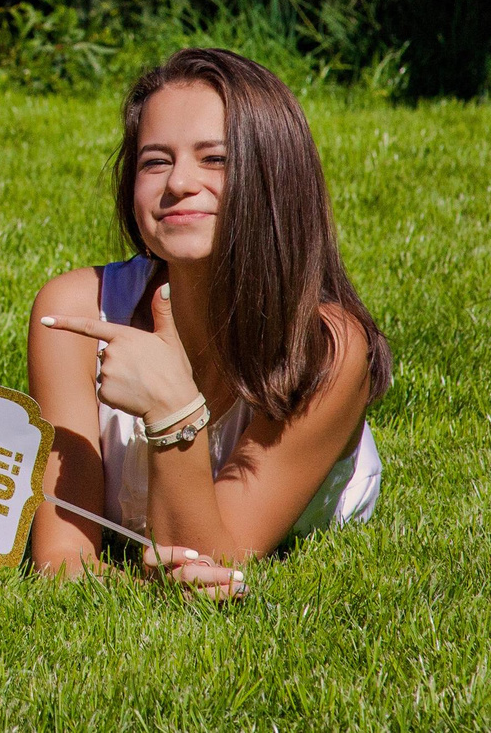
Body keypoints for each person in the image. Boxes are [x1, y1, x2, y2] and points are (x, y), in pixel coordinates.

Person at [29, 47, 389, 595]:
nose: (179, 183)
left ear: (275, 176)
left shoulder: (328, 349)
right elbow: (62, 555)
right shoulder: (76, 314)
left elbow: (212, 556)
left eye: (214, 159)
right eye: (155, 161)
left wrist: (170, 406)